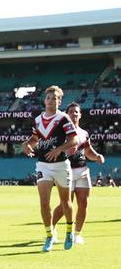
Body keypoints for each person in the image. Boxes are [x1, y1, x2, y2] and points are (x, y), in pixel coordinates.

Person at [22, 85, 79, 252]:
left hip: (61, 165)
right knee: (44, 202)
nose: (51, 100)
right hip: (43, 165)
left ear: (59, 101)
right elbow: (34, 138)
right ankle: (49, 235)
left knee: (65, 202)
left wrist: (59, 149)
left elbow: (74, 140)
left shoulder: (63, 119)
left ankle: (69, 230)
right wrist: (27, 145)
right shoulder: (38, 120)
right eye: (48, 98)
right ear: (44, 100)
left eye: (55, 98)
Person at [50, 102, 105, 245]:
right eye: (71, 112)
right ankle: (51, 229)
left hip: (82, 171)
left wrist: (97, 156)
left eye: (76, 112)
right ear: (66, 114)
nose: (74, 114)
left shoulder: (84, 133)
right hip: (66, 171)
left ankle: (77, 234)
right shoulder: (60, 133)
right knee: (65, 205)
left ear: (80, 115)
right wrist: (65, 151)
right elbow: (55, 151)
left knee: (83, 204)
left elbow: (88, 152)